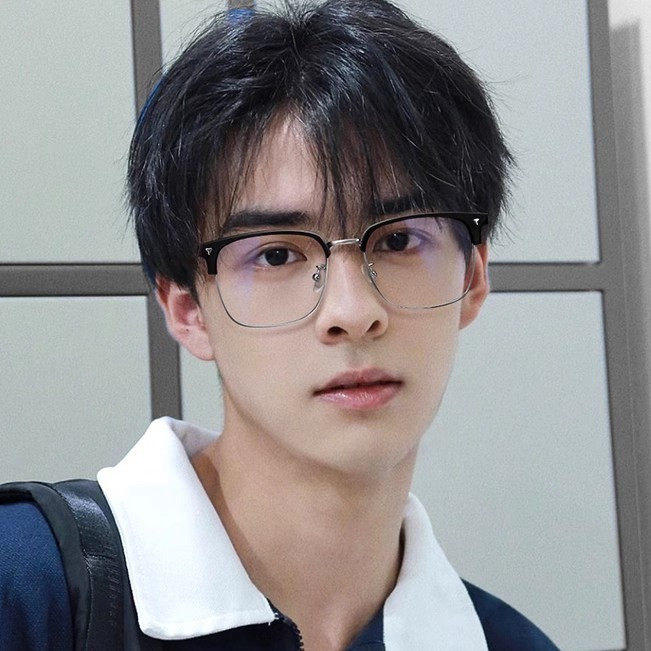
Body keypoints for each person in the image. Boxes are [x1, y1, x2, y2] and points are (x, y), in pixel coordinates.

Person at [1, 0, 561, 648]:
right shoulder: (27, 585)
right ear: (185, 307)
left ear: (473, 277)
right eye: (275, 254)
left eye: (399, 240)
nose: (352, 312)